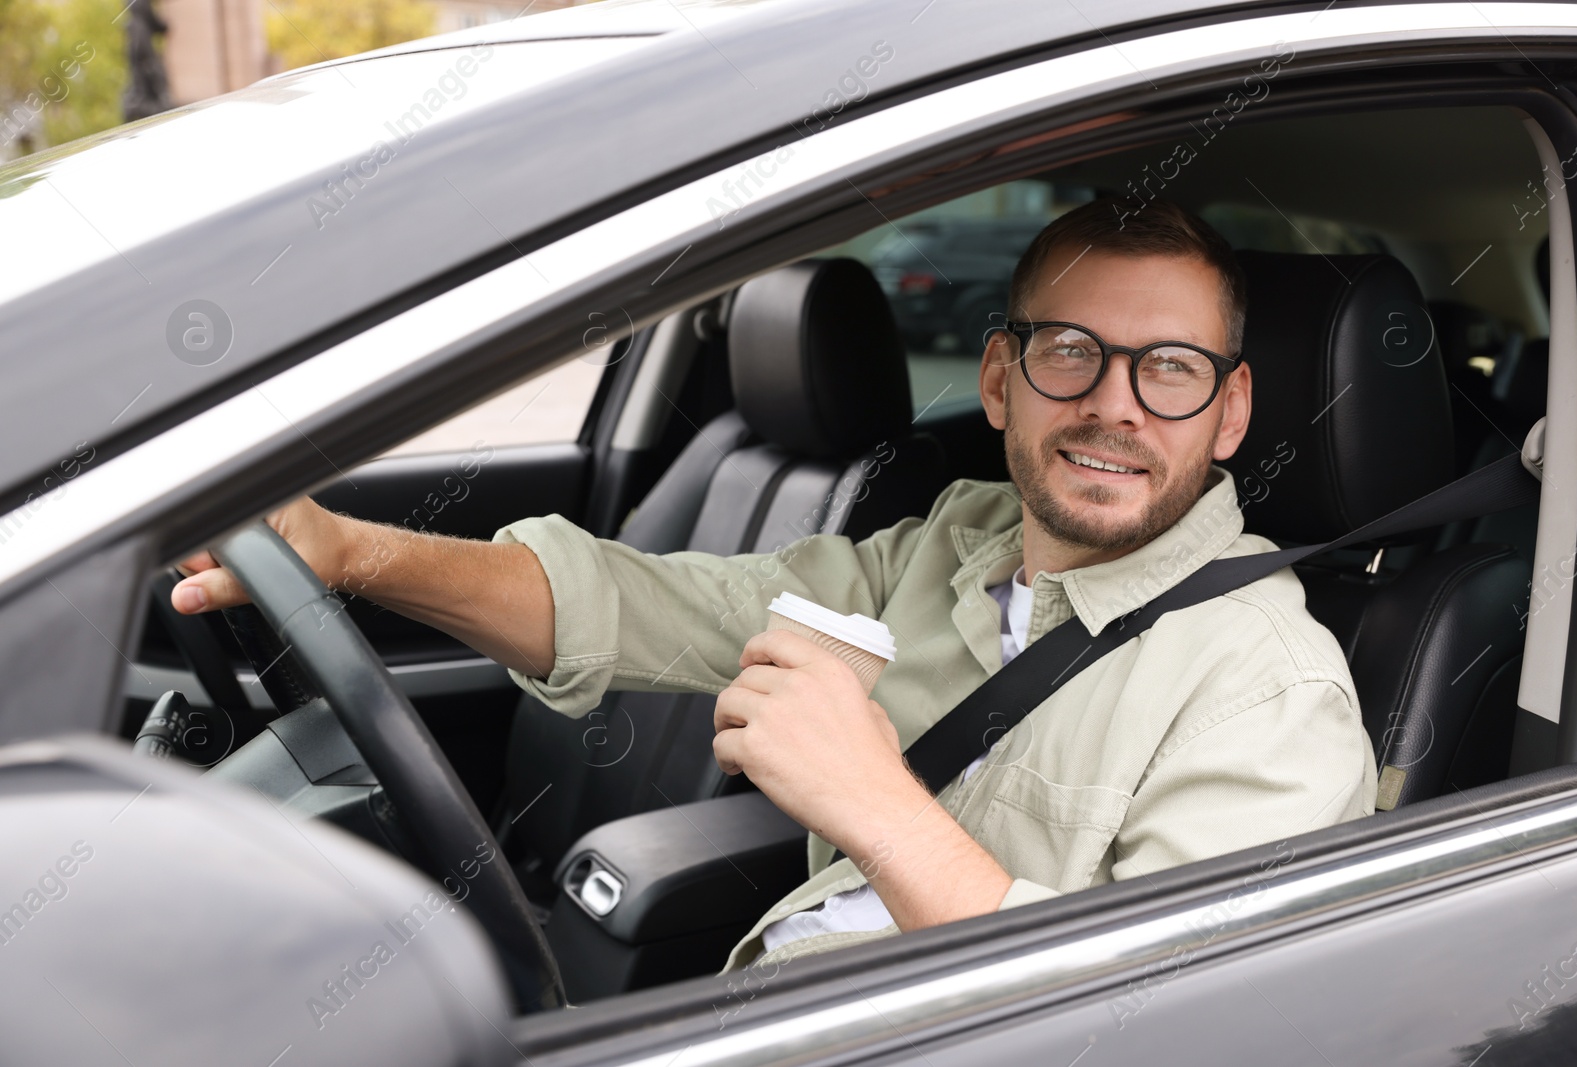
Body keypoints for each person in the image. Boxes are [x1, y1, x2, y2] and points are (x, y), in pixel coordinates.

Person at [171, 197, 1377, 970]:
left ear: (1229, 414)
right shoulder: (945, 544)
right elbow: (636, 605)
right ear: (1000, 381)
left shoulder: (1266, 691)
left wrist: (872, 799)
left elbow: (1176, 1026)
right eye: (1071, 352)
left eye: (1168, 368)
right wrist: (347, 551)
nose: (1114, 402)